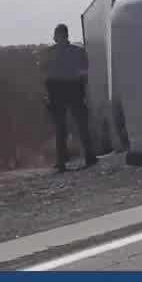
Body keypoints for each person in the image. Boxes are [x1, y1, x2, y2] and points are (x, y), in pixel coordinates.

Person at [44, 23, 96, 171]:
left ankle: (62, 161)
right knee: (81, 125)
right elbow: (84, 72)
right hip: (72, 89)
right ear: (67, 35)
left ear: (55, 36)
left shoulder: (48, 53)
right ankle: (89, 156)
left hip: (58, 90)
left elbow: (44, 73)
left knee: (62, 128)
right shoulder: (78, 52)